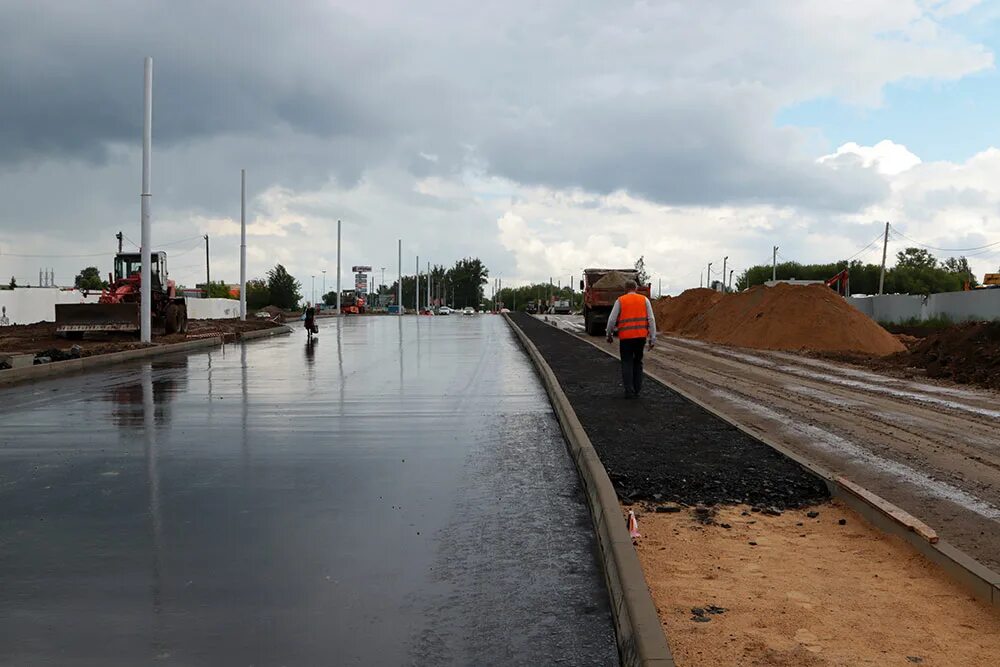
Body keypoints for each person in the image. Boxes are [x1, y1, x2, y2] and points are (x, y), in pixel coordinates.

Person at [605, 280, 656, 398]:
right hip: (640, 337)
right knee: (638, 362)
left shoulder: (620, 300)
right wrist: (652, 338)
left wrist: (609, 334)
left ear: (625, 289)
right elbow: (651, 319)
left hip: (626, 338)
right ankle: (637, 389)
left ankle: (629, 391)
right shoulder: (644, 300)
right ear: (636, 288)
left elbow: (612, 320)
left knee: (626, 362)